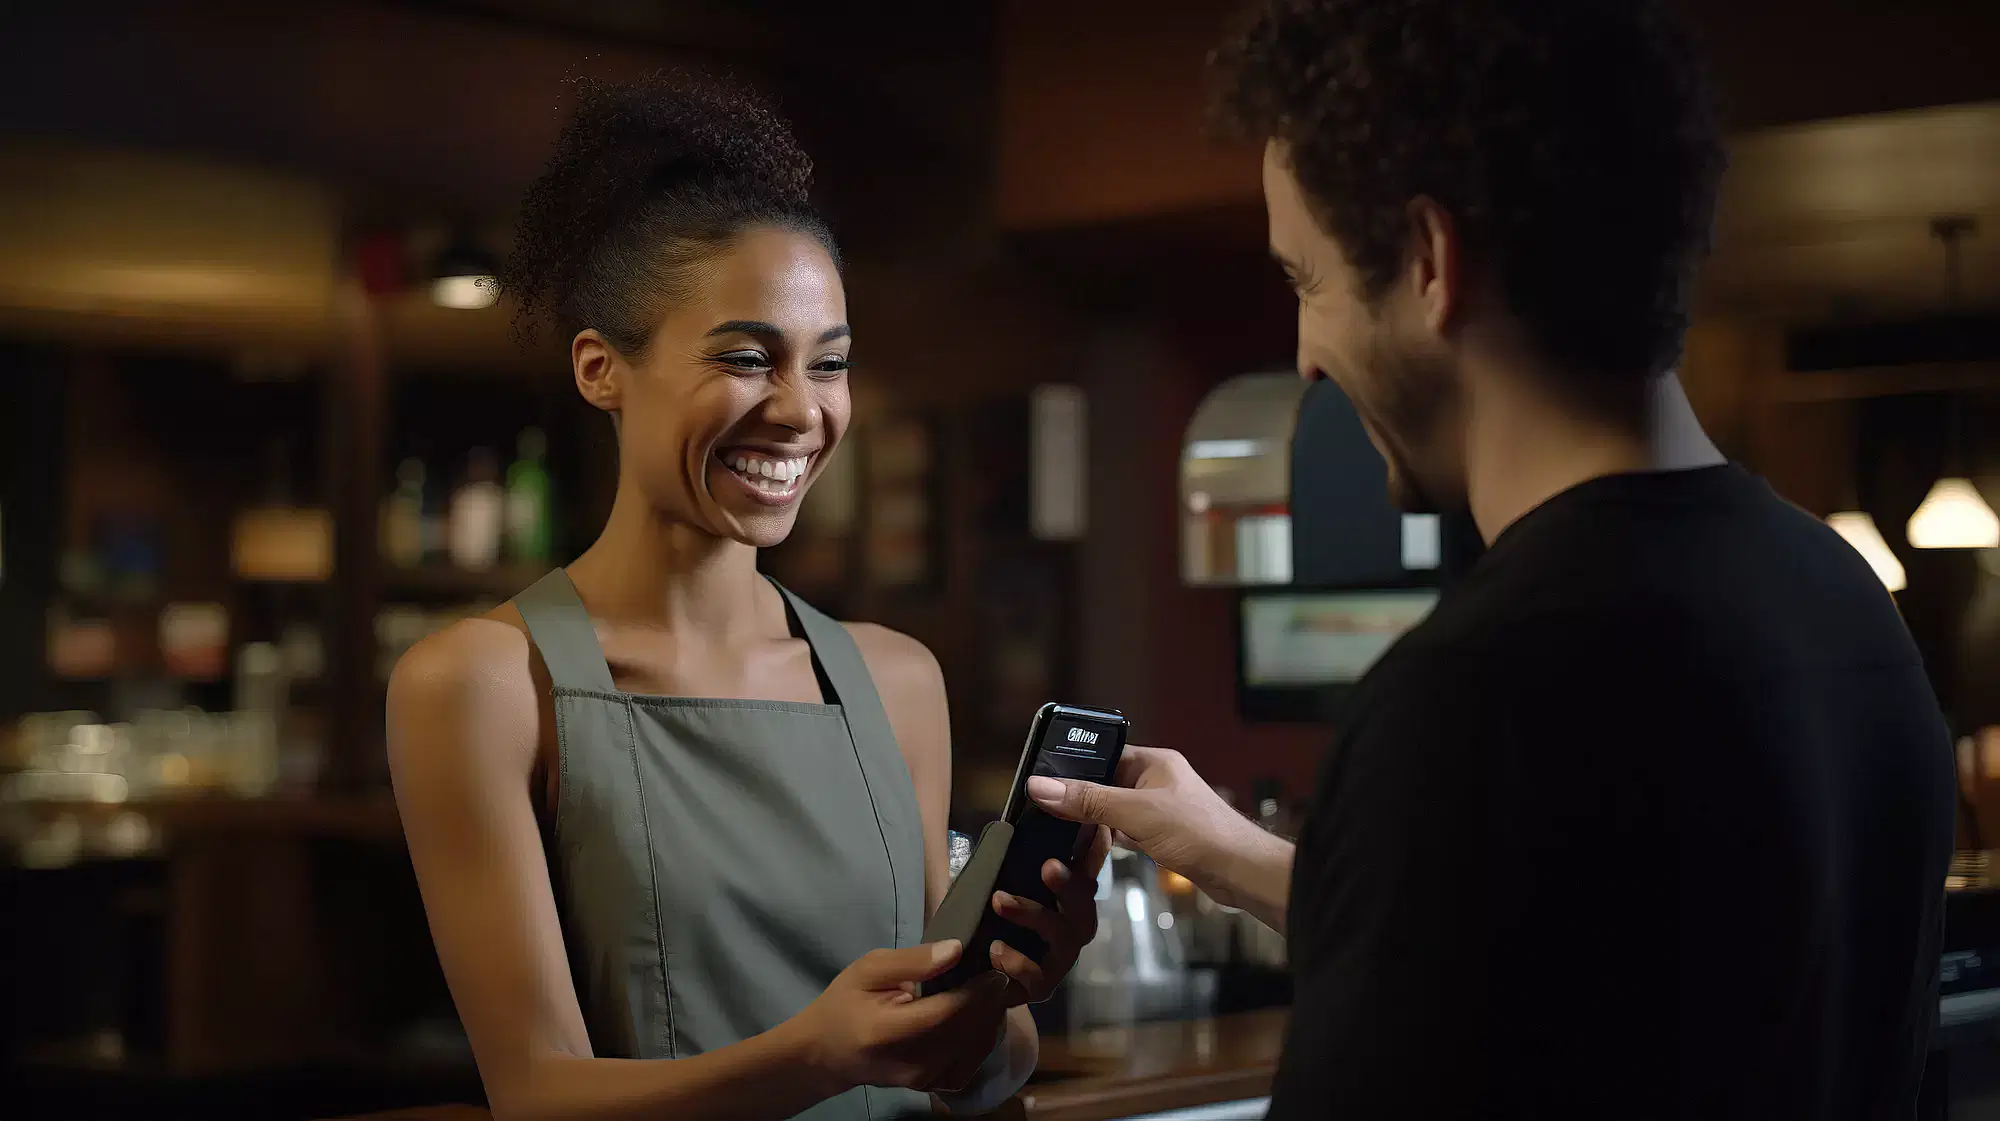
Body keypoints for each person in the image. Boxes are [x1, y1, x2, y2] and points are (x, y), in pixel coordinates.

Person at [1028, 1, 1956, 1118]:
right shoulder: (1846, 608)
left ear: (1426, 262)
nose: (1303, 357)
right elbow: (1595, 977)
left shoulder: (1475, 697)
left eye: (1303, 282)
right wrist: (1230, 850)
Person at [386, 77, 1105, 1121]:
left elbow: (971, 1071)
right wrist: (814, 1054)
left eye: (831, 363)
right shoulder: (479, 683)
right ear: (600, 368)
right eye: (744, 356)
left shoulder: (895, 679)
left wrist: (996, 998)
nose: (800, 409)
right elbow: (537, 1095)